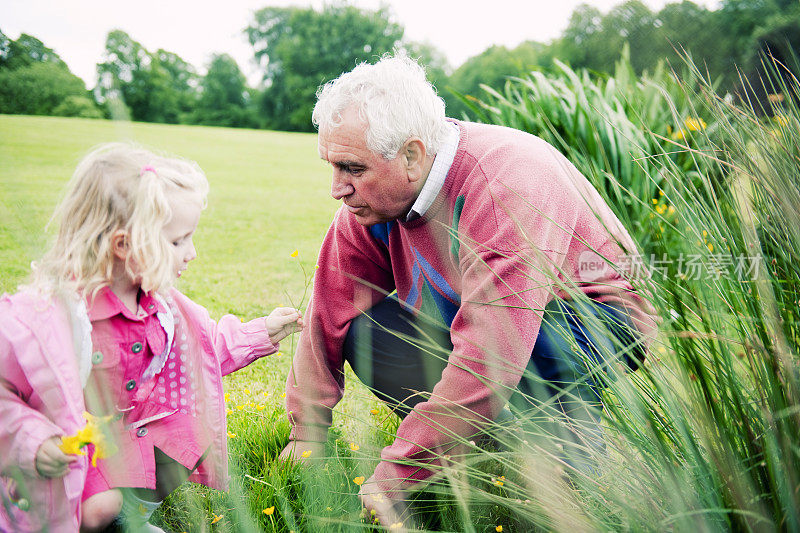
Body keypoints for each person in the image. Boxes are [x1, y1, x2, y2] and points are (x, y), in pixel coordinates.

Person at [278, 53, 656, 527]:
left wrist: (400, 470)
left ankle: (563, 450)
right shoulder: (371, 209)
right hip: (484, 322)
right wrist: (305, 432)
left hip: (593, 318)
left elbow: (493, 351)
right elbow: (328, 306)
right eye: (331, 166)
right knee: (365, 331)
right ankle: (475, 439)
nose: (337, 188)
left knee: (530, 354)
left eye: (352, 168)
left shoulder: (506, 185)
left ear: (413, 155)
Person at [0, 142, 303, 532]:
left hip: (116, 438)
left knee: (188, 434)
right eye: (177, 241)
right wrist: (34, 443)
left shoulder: (160, 304)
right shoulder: (51, 319)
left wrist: (262, 331)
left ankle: (127, 520)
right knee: (97, 508)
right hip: (58, 450)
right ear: (124, 245)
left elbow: (204, 349)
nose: (190, 253)